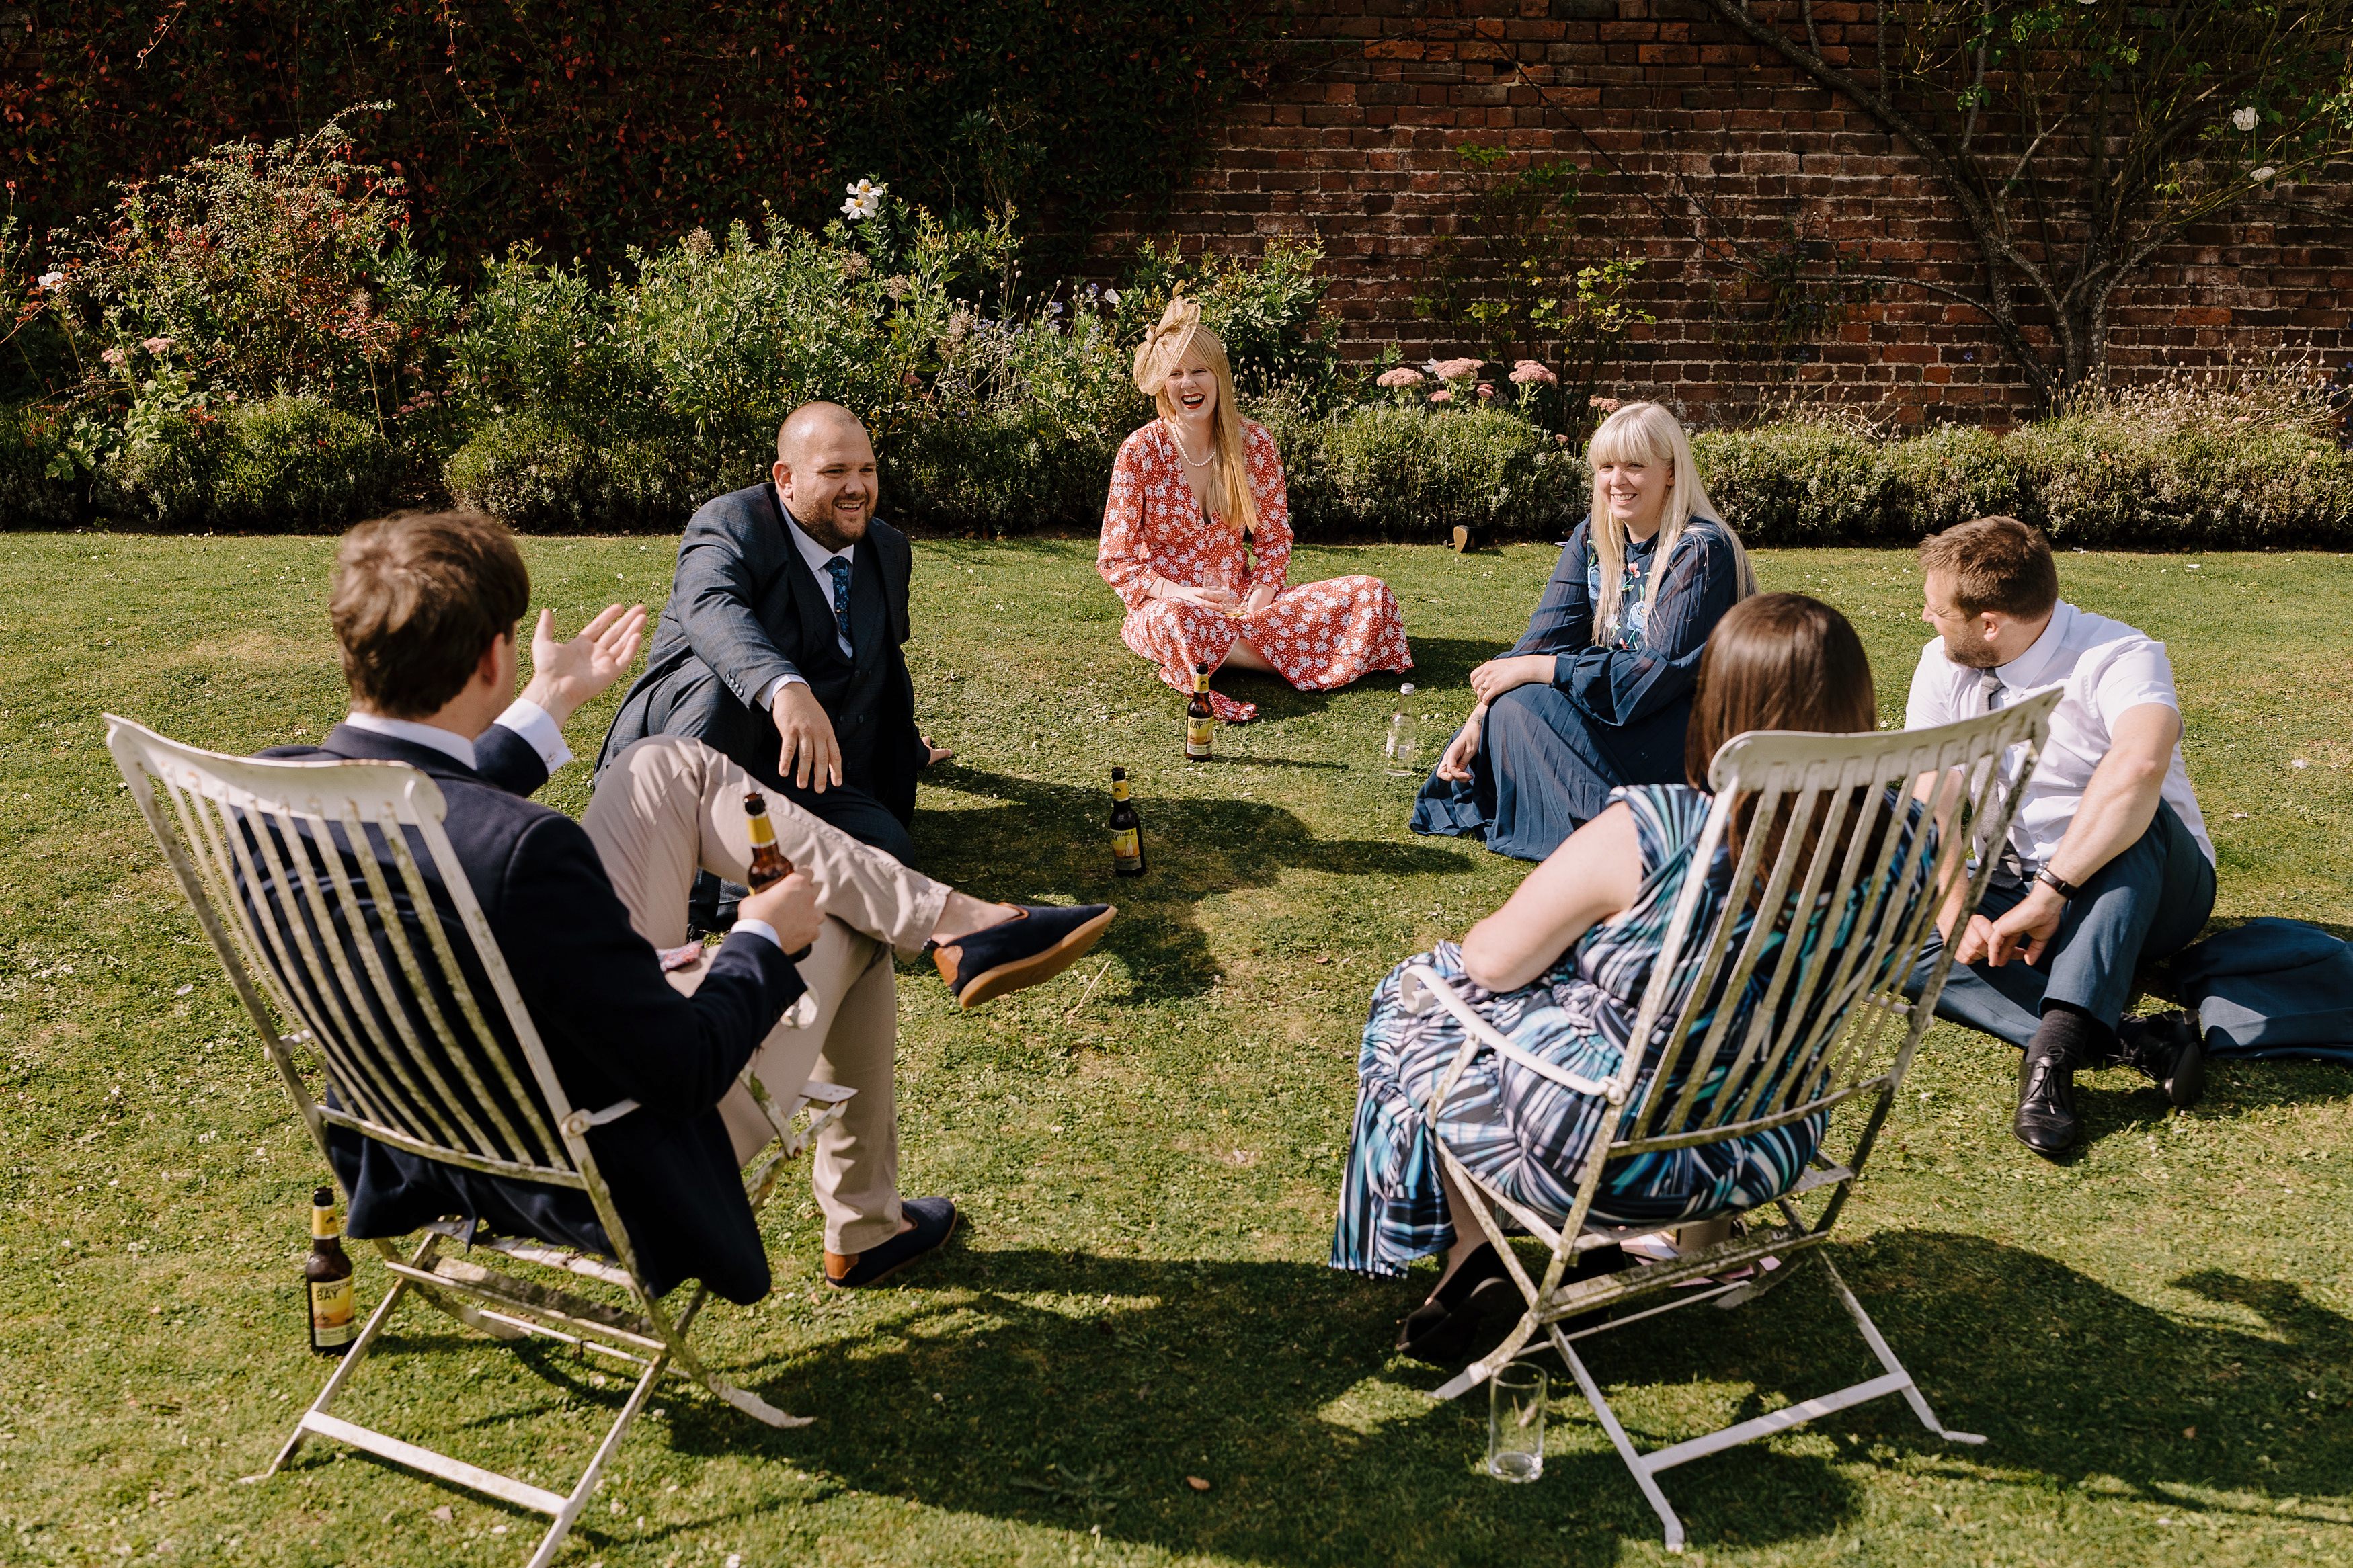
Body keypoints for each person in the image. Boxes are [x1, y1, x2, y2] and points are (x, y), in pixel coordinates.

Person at [266, 511, 1114, 1303]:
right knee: (845, 907)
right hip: (600, 1155)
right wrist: (754, 939)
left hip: (420, 1129)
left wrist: (550, 700)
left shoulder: (273, 797)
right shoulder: (524, 851)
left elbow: (432, 795)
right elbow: (683, 1068)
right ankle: (867, 1217)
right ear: (492, 658)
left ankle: (954, 923)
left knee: (662, 765)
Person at [1334, 594, 1931, 1358]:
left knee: (1423, 984)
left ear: (1717, 705)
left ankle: (1470, 1251)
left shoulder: (1654, 829)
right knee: (1645, 1012)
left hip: (1611, 1157)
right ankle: (1680, 1247)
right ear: (1855, 707)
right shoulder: (1908, 839)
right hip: (1772, 1137)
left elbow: (1489, 960)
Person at [1903, 515, 2214, 1157]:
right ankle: (2130, 1036)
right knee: (1889, 920)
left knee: (2133, 811)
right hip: (2007, 881)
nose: (1927, 620)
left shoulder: (2120, 655)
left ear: (1990, 622)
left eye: (1938, 610)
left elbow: (2141, 764)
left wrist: (2051, 892)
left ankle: (2056, 1054)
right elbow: (1932, 789)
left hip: (2150, 886)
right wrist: (1956, 906)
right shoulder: (1942, 662)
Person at [599, 401, 945, 874]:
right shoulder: (731, 523)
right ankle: (675, 857)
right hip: (700, 747)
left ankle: (751, 873)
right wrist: (784, 687)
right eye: (836, 471)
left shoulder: (887, 548)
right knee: (719, 683)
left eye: (867, 469)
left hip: (801, 774)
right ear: (785, 479)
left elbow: (880, 663)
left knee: (887, 854)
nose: (857, 487)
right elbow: (711, 606)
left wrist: (910, 748)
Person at [1411, 401, 1757, 861]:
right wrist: (1479, 718)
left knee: (1529, 696)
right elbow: (1544, 637)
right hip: (1615, 712)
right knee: (1514, 705)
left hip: (1681, 731)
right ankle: (1615, 835)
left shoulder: (1701, 550)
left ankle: (1631, 842)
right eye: (1606, 466)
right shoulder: (1596, 537)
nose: (1617, 480)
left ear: (1671, 473)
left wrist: (1546, 669)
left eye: (1635, 466)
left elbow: (1651, 677)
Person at [1098, 296, 1412, 722]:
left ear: (1219, 377)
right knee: (1173, 621)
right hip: (1171, 607)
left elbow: (1275, 540)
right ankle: (1297, 654)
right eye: (1175, 373)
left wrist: (1262, 596)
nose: (1188, 383)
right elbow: (1115, 560)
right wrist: (1180, 593)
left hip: (1248, 602)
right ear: (1162, 385)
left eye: (1199, 370)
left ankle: (1227, 651)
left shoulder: (1255, 445)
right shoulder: (1139, 451)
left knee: (1370, 593)